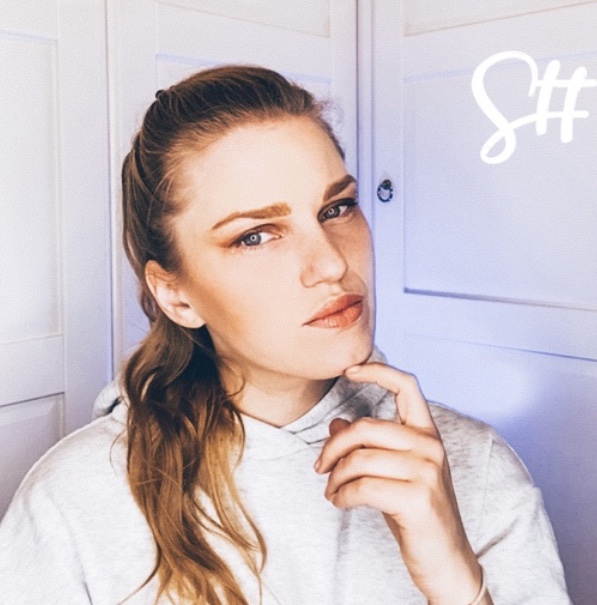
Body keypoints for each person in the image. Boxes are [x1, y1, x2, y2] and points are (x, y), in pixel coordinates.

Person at [0, 65, 571, 605]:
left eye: (337, 208)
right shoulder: (73, 500)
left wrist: (455, 578)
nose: (331, 264)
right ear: (176, 295)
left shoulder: (475, 467)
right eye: (255, 235)